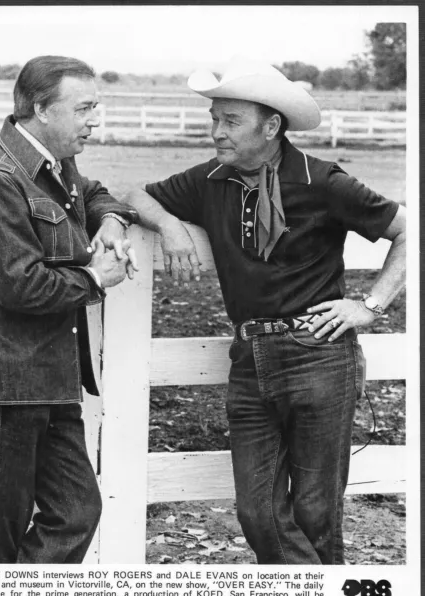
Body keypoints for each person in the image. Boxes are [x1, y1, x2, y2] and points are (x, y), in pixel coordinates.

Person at [125, 57, 406, 564]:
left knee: (317, 513)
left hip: (319, 355)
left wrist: (370, 304)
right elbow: (135, 196)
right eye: (215, 119)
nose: (216, 133)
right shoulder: (209, 180)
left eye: (230, 121)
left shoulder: (323, 182)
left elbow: (410, 230)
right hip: (249, 359)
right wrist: (168, 225)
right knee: (257, 514)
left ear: (271, 125)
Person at [0, 55, 138, 563]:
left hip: (50, 374)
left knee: (76, 510)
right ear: (41, 109)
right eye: (85, 108)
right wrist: (98, 279)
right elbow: (20, 286)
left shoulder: (53, 163)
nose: (94, 120)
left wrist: (111, 219)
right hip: (3, 376)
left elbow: (92, 193)